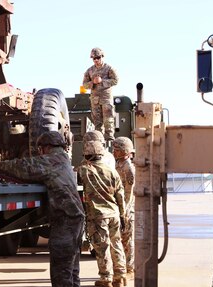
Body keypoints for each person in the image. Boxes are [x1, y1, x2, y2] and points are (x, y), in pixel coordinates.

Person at [0, 131, 85, 287]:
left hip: (66, 221)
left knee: (61, 272)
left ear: (45, 147)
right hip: (75, 219)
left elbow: (25, 167)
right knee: (72, 269)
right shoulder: (63, 159)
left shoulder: (51, 161)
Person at [79, 140, 126, 287]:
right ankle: (120, 277)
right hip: (114, 214)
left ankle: (106, 279)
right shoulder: (112, 171)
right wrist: (123, 215)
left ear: (87, 155)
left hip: (98, 216)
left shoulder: (84, 170)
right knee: (116, 243)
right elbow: (120, 195)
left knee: (102, 247)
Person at [82, 47, 119, 143]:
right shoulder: (89, 71)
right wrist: (93, 83)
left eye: (98, 57)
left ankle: (110, 139)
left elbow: (115, 80)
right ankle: (99, 140)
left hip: (106, 98)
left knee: (108, 120)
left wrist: (102, 81)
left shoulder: (109, 68)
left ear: (102, 57)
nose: (96, 60)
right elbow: (85, 84)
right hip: (95, 99)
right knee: (97, 121)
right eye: (94, 58)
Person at [112, 136, 136, 279]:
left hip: (127, 210)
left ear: (123, 151)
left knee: (127, 239)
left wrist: (124, 212)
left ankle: (130, 267)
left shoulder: (128, 168)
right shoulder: (118, 164)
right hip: (119, 207)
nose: (114, 152)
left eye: (117, 150)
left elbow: (129, 193)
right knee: (121, 239)